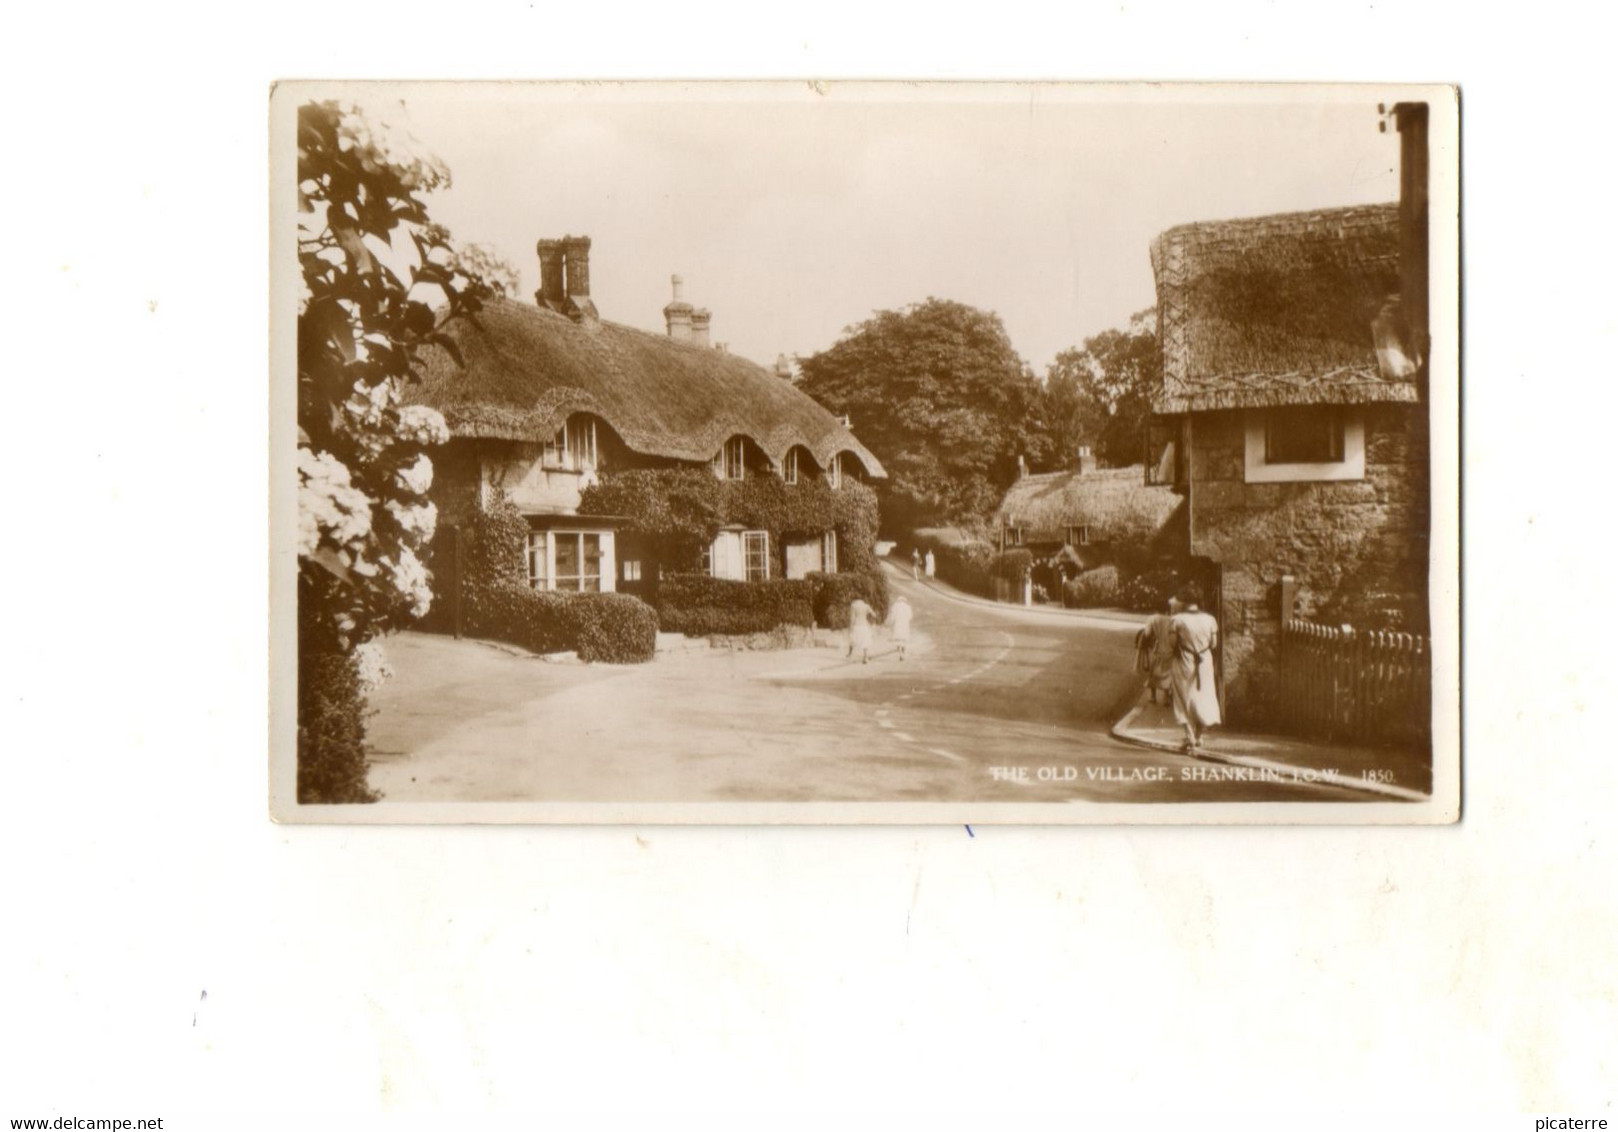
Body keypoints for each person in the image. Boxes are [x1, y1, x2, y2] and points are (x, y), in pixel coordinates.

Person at [1168, 584, 1221, 751]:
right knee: (1203, 695)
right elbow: (1214, 644)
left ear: (1183, 601)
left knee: (1183, 696)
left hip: (1184, 660)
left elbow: (1172, 644)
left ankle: (1189, 734)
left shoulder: (1177, 620)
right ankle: (1199, 735)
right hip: (1204, 661)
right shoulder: (1210, 619)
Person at [1135, 596, 1179, 705]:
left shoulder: (1152, 618)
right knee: (1168, 673)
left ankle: (1153, 696)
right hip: (1169, 649)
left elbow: (1147, 633)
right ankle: (1167, 697)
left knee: (1153, 673)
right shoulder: (1172, 620)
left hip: (1157, 648)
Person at [847, 596, 875, 664]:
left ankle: (850, 654)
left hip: (857, 625)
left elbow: (852, 618)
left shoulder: (853, 606)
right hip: (864, 625)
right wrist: (871, 622)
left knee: (853, 639)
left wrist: (850, 626)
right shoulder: (866, 606)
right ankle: (865, 657)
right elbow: (874, 614)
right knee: (865, 641)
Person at [884, 595, 913, 661]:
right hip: (905, 625)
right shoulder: (908, 607)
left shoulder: (895, 606)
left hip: (897, 624)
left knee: (898, 640)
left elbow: (892, 616)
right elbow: (910, 617)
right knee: (904, 639)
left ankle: (900, 654)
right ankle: (904, 652)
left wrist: (891, 623)